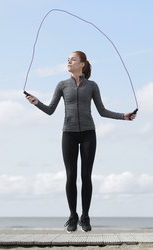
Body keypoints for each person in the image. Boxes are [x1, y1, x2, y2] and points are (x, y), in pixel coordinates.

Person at [26, 51, 136, 232]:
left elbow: (102, 111)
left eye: (73, 59)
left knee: (86, 176)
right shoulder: (62, 85)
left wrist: (124, 116)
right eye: (68, 59)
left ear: (82, 64)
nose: (69, 61)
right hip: (68, 133)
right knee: (71, 176)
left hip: (88, 134)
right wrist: (37, 102)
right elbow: (50, 110)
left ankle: (85, 216)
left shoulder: (92, 86)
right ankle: (72, 216)